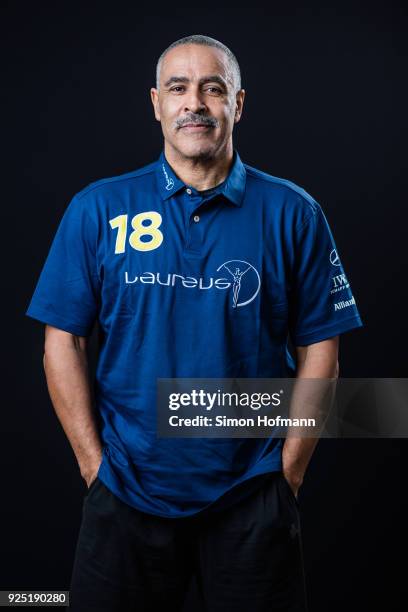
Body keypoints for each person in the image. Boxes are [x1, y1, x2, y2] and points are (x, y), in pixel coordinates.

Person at [25, 34, 364, 611]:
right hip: (125, 494)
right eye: (179, 89)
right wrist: (92, 465)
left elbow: (321, 351)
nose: (195, 104)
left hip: (252, 496)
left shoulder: (293, 212)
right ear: (156, 103)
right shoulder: (98, 208)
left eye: (213, 88)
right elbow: (63, 341)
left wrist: (288, 473)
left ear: (238, 104)